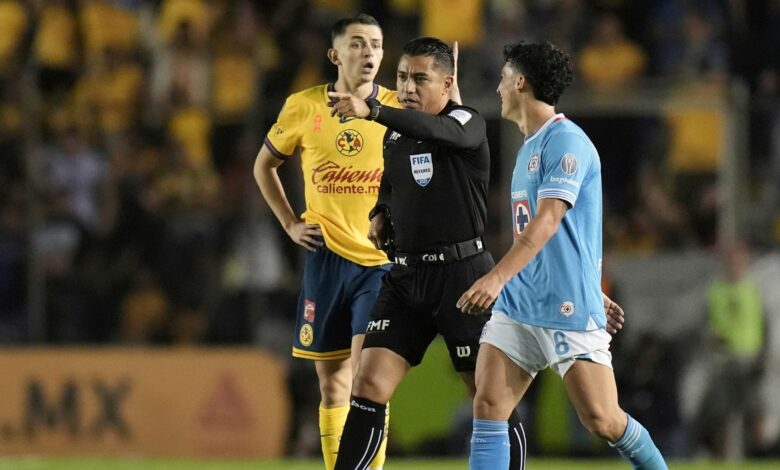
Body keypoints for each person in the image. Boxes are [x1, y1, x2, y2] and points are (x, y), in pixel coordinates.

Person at [327, 37, 625, 470]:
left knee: (489, 399)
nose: (407, 87)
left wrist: (372, 109)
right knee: (367, 384)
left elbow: (437, 130)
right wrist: (380, 212)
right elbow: (391, 185)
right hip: (406, 279)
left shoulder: (467, 122)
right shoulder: (395, 136)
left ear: (447, 84)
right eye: (402, 77)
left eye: (420, 79)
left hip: (462, 278)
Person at [457, 41, 667, 470]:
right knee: (489, 404)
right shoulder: (529, 145)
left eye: (502, 78)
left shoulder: (566, 141)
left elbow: (548, 222)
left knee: (602, 420)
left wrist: (497, 277)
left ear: (520, 82)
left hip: (564, 307)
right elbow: (564, 236)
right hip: (521, 304)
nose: (498, 88)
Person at [253, 14, 395, 470]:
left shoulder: (397, 108)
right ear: (335, 54)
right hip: (325, 259)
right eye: (357, 44)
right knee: (332, 384)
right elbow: (264, 166)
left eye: (376, 44)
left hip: (379, 265)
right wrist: (289, 223)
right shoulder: (304, 105)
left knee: (367, 381)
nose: (369, 52)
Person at [696, 241, 767, 458]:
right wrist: (713, 341)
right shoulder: (715, 289)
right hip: (724, 360)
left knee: (754, 413)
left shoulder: (753, 289)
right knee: (721, 415)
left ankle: (760, 457)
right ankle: (723, 460)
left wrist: (764, 356)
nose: (736, 265)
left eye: (739, 261)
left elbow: (764, 325)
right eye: (732, 261)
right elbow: (706, 322)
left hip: (750, 359)